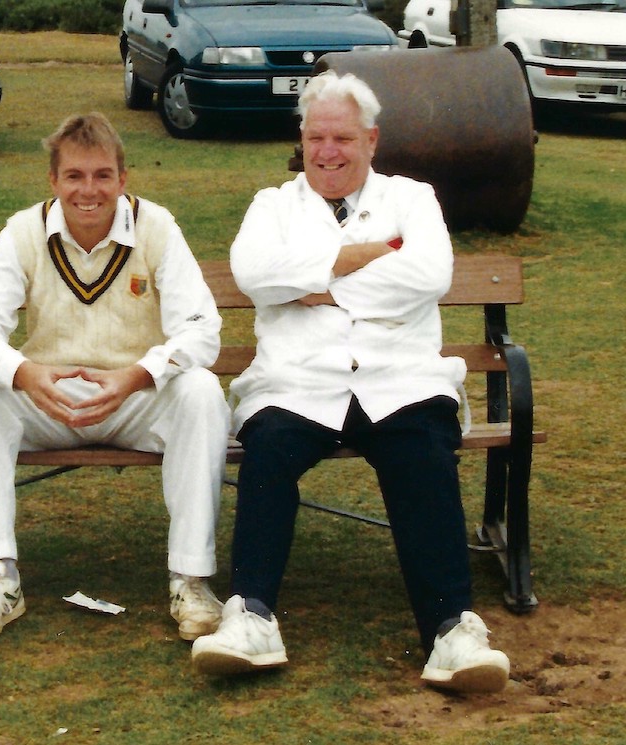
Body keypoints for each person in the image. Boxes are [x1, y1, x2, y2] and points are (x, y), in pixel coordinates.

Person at [190, 71, 511, 693]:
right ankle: (251, 617)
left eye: (341, 137)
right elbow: (256, 273)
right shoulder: (271, 206)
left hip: (400, 379)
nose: (327, 151)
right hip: (297, 383)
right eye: (316, 137)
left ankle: (452, 632)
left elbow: (428, 276)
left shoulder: (413, 199)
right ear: (302, 138)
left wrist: (313, 287)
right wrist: (367, 258)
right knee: (270, 452)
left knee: (423, 453)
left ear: (371, 140)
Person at [0, 112, 230, 643]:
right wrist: (24, 373)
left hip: (133, 396)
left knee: (200, 391)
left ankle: (190, 579)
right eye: (74, 176)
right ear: (53, 181)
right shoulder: (25, 230)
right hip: (50, 398)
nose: (89, 190)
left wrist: (138, 375)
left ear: (123, 180)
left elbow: (202, 330)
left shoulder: (156, 226)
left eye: (103, 176)